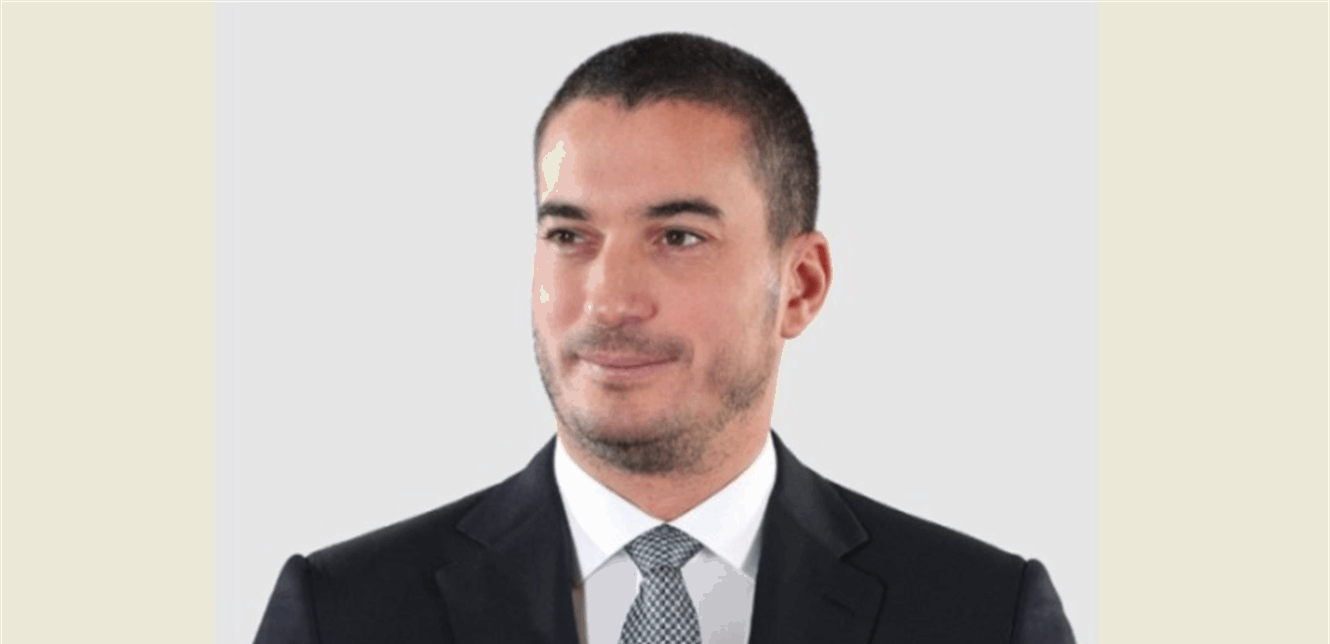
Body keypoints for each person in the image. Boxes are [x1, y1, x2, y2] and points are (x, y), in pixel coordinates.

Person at [253, 32, 1076, 644]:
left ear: (801, 285)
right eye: (569, 236)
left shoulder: (982, 616)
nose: (609, 299)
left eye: (678, 237)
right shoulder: (344, 614)